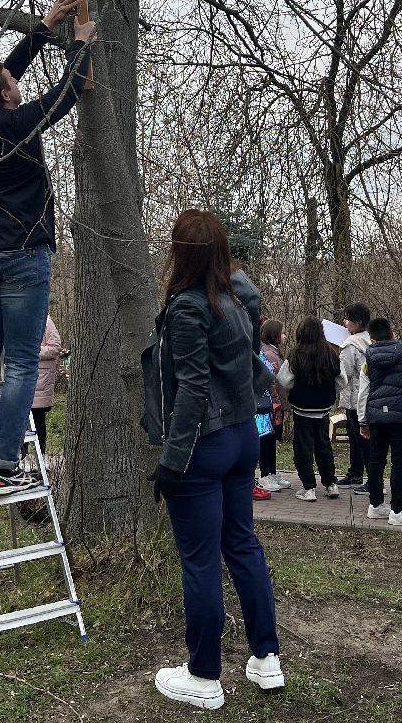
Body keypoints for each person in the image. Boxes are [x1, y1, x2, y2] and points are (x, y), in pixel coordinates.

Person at [0, 0, 94, 502]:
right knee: (23, 363)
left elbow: (1, 78)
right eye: (12, 83)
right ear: (8, 96)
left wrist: (42, 27)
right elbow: (67, 91)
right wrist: (78, 43)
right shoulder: (18, 122)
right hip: (21, 256)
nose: (16, 81)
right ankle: (3, 465)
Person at [141, 210, 281, 709]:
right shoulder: (237, 302)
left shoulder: (189, 308)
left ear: (180, 253)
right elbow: (247, 357)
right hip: (244, 437)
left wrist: (173, 460)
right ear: (221, 254)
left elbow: (193, 389)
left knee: (199, 560)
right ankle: (266, 659)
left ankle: (203, 677)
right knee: (242, 544)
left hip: (206, 444)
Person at [357, 317, 402, 527]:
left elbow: (363, 394)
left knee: (376, 460)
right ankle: (397, 509)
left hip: (376, 418)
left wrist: (363, 421)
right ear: (392, 332)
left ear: (371, 338)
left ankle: (376, 504)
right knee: (400, 462)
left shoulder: (368, 361)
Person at [276, 316, 344, 502]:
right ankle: (331, 485)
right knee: (324, 446)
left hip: (301, 409)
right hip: (323, 409)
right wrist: (329, 391)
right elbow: (342, 380)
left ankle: (309, 488)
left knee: (303, 448)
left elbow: (283, 380)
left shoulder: (295, 355)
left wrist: (298, 389)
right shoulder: (331, 354)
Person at [336, 302, 373, 488]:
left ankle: (368, 478)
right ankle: (356, 473)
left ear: (357, 322)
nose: (344, 322)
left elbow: (345, 374)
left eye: (348, 318)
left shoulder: (351, 345)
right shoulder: (370, 340)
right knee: (361, 440)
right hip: (367, 397)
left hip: (354, 399)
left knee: (360, 440)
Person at [256, 319, 289, 494]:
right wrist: (276, 400)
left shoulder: (275, 353)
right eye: (282, 333)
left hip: (277, 404)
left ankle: (273, 472)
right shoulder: (267, 354)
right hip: (270, 404)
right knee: (266, 439)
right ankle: (265, 474)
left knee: (273, 439)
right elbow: (272, 381)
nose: (285, 336)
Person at [33, 315, 63, 455]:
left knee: (38, 421)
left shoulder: (45, 321)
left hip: (40, 380)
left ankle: (41, 456)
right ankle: (22, 457)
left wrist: (31, 351)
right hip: (21, 379)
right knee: (19, 423)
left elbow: (55, 347)